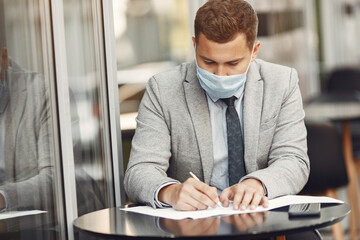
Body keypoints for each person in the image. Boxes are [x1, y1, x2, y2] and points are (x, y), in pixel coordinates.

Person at [125, 0, 309, 213]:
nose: (220, 74)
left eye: (233, 63)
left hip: (263, 217)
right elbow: (139, 170)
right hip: (193, 224)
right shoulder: (162, 90)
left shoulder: (282, 83)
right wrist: (171, 191)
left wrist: (257, 184)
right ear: (195, 46)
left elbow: (293, 160)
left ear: (254, 51)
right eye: (208, 62)